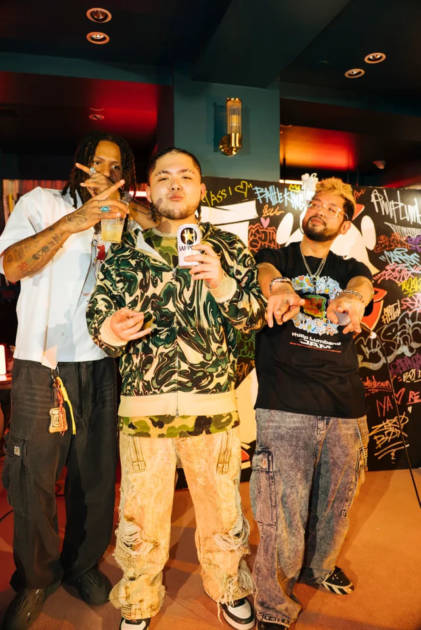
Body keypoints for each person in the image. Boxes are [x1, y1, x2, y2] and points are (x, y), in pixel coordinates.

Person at [86, 147, 266, 630]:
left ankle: (229, 587)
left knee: (222, 510)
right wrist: (110, 331)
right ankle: (139, 600)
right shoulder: (125, 255)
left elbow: (253, 317)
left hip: (214, 409)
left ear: (201, 189)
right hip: (144, 411)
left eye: (185, 175)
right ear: (149, 189)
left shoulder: (228, 250)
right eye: (163, 176)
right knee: (140, 516)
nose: (175, 183)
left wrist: (223, 285)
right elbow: (98, 319)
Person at [0, 132, 155, 630]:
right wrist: (75, 221)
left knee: (96, 475)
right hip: (41, 361)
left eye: (117, 167)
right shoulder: (41, 203)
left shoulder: (124, 221)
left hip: (101, 362)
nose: (106, 173)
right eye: (97, 162)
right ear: (80, 165)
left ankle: (83, 564)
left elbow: (166, 237)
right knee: (33, 478)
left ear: (126, 177)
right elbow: (11, 266)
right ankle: (36, 578)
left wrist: (128, 212)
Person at [251, 177, 374, 630]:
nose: (320, 210)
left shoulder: (348, 266)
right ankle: (272, 601)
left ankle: (319, 567)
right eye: (316, 203)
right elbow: (265, 273)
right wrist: (280, 288)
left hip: (345, 404)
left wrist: (354, 297)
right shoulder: (277, 257)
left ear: (344, 224)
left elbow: (362, 283)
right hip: (285, 403)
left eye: (332, 208)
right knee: (280, 508)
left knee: (336, 502)